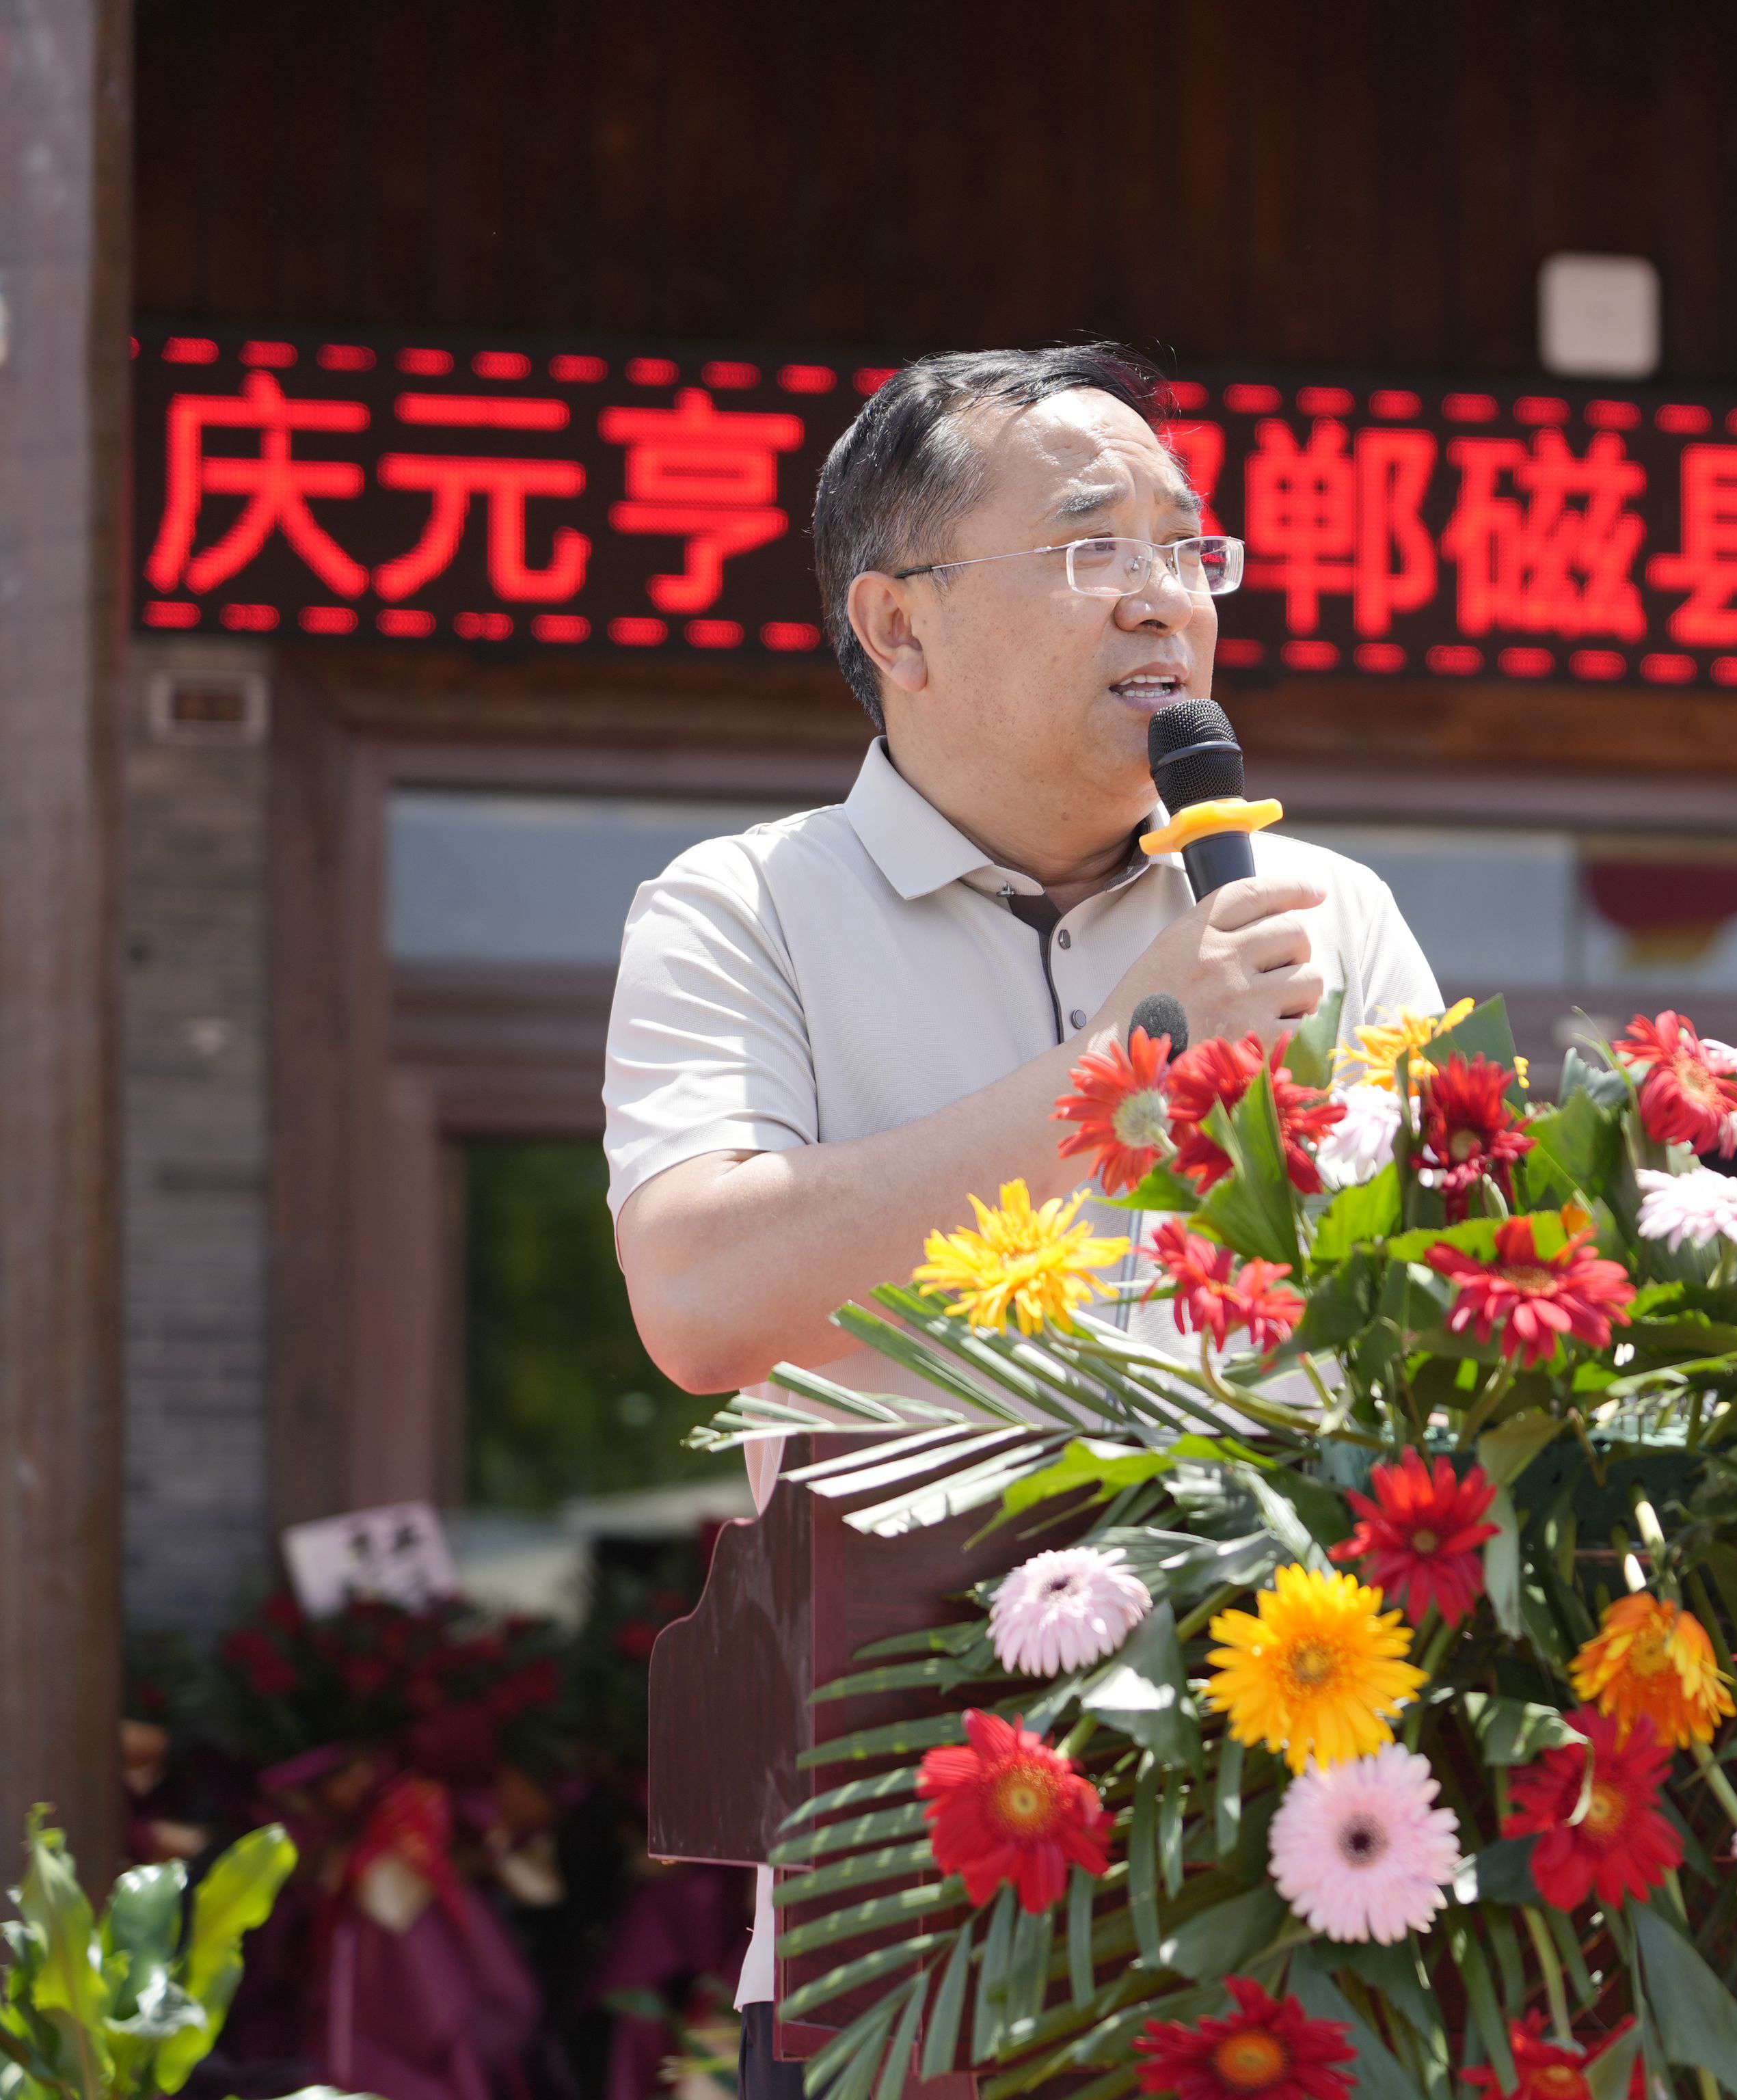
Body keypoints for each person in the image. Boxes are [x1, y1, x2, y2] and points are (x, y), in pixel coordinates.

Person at [599, 345, 1441, 2092]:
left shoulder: (1321, 920)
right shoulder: (742, 912)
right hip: (904, 1915)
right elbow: (702, 1295)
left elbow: (1444, 1330)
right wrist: (1134, 1059)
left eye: (1186, 549)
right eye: (1089, 547)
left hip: (1293, 1880)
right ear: (896, 625)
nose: (1161, 599)